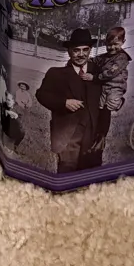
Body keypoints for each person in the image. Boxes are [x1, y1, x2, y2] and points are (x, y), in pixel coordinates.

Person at [35, 28, 102, 172]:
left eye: (85, 49)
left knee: (91, 175)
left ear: (90, 50)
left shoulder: (99, 72)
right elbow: (41, 95)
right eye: (76, 50)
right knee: (67, 173)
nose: (81, 54)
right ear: (69, 51)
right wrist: (63, 103)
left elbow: (107, 101)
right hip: (68, 137)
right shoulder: (56, 74)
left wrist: (102, 133)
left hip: (92, 135)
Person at [81, 26, 132, 152]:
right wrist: (87, 61)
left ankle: (102, 135)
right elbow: (96, 60)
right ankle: (97, 137)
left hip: (115, 87)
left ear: (123, 42)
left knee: (108, 108)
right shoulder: (105, 56)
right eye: (109, 45)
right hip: (104, 87)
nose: (112, 47)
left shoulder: (122, 58)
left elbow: (110, 73)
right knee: (100, 108)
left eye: (116, 44)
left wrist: (94, 77)